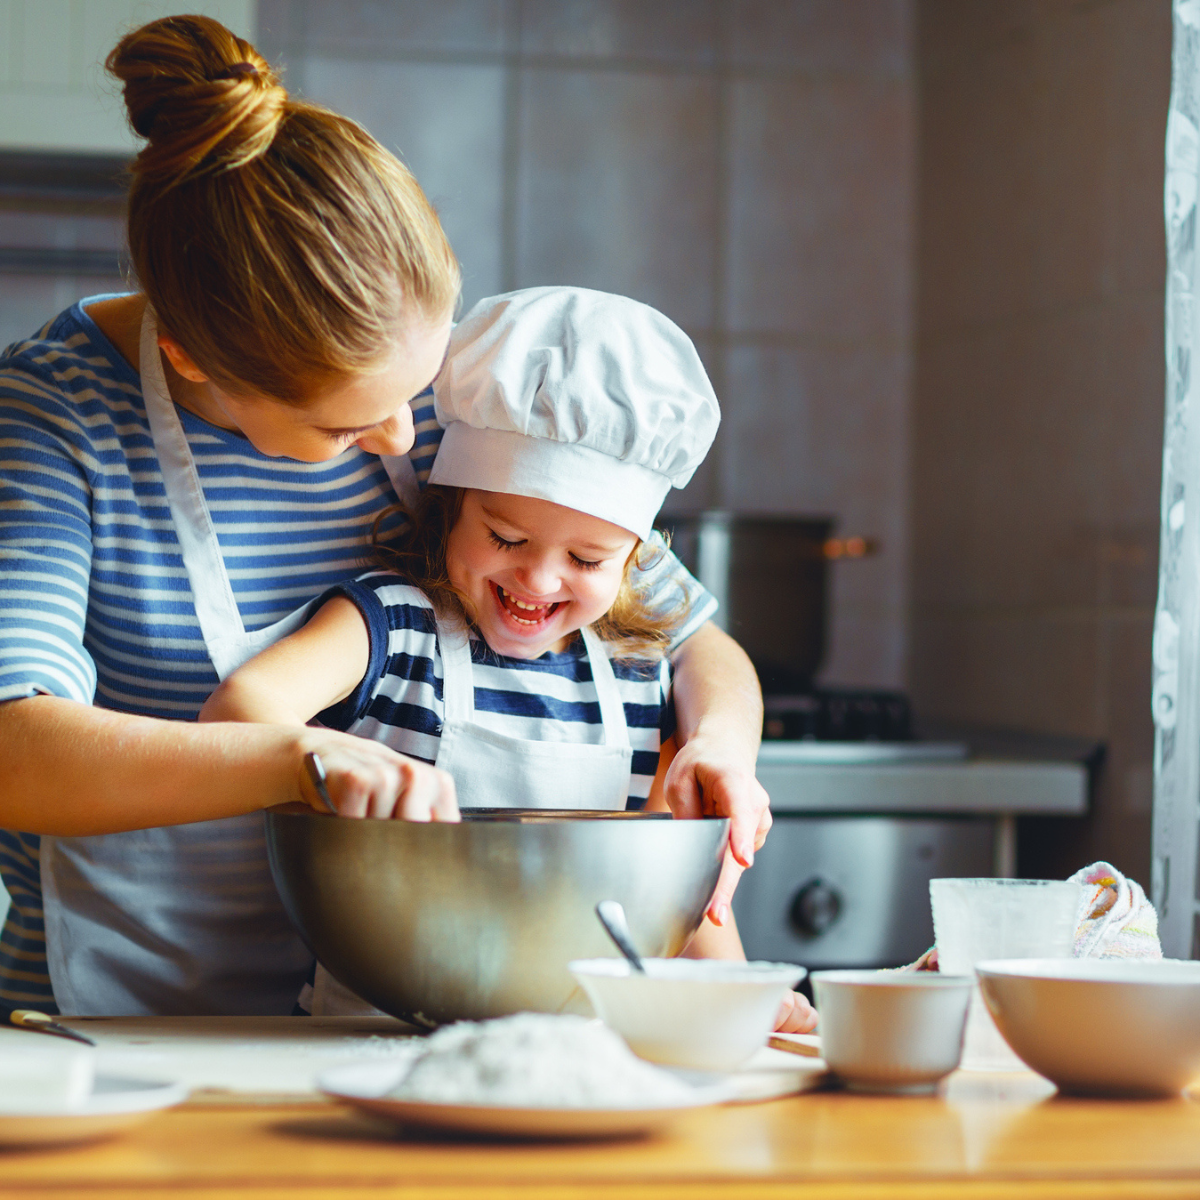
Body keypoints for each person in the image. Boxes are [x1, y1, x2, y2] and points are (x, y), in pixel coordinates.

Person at [0, 15, 773, 1020]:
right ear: (194, 358)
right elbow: (18, 753)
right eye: (343, 426)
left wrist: (720, 744)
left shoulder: (461, 395)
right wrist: (296, 758)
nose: (405, 445)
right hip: (134, 1023)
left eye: (412, 397)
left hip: (394, 1023)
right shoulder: (55, 419)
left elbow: (683, 633)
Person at [200, 287, 817, 1033]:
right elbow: (238, 711)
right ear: (452, 507)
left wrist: (738, 999)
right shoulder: (393, 625)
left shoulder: (635, 670)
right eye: (505, 538)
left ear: (636, 563)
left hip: (585, 1052)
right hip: (372, 1032)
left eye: (588, 558)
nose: (540, 579)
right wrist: (325, 763)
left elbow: (679, 900)